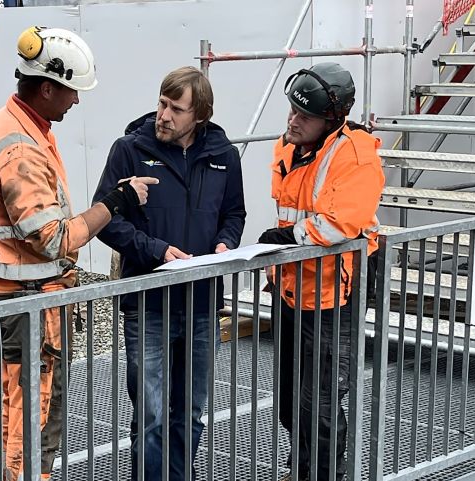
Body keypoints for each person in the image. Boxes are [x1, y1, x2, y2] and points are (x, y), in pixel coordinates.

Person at [0, 26, 158, 481]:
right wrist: (115, 203)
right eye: (71, 92)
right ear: (46, 88)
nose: (75, 102)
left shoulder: (23, 126)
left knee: (24, 417)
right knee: (31, 422)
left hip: (31, 299)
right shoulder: (19, 148)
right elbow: (55, 239)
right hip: (30, 304)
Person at [93, 66, 246, 481]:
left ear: (200, 116)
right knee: (153, 414)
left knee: (191, 412)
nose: (163, 115)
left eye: (176, 109)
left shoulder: (224, 156)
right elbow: (106, 219)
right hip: (149, 305)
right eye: (162, 103)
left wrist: (225, 244)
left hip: (201, 304)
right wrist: (158, 252)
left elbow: (234, 213)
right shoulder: (129, 149)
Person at [257, 62, 384, 481]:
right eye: (291, 110)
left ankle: (328, 472)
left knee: (321, 401)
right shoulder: (288, 146)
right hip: (292, 288)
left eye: (304, 116)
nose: (293, 121)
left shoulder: (356, 156)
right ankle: (306, 465)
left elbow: (338, 225)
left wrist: (285, 236)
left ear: (330, 120)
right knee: (291, 399)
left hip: (334, 295)